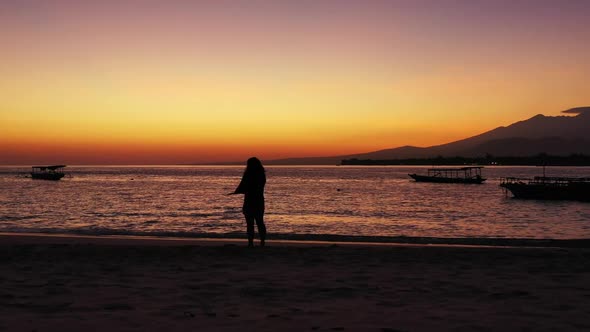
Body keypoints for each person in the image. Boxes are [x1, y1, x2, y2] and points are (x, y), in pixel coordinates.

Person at [231, 157, 267, 247]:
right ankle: (262, 242)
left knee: (250, 223)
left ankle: (251, 243)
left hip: (250, 200)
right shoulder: (261, 174)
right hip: (258, 200)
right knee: (259, 222)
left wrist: (238, 191)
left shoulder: (248, 175)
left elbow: (242, 187)